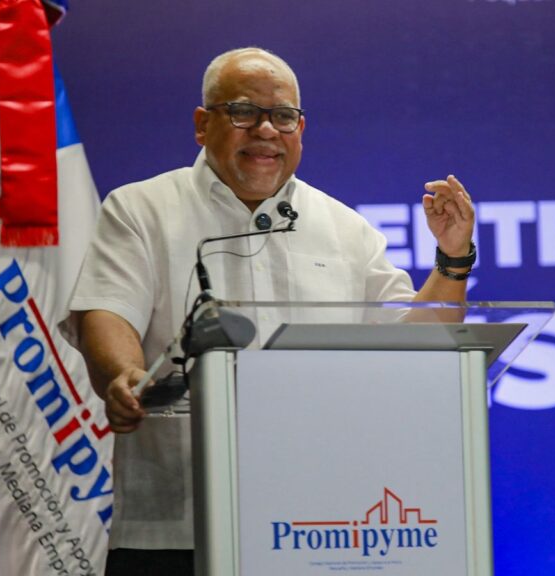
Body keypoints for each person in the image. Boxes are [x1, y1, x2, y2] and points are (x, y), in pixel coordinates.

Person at [61, 47, 476, 574]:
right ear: (202, 124)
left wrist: (453, 258)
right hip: (178, 527)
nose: (265, 130)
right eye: (243, 112)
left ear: (300, 129)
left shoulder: (345, 228)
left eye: (282, 116)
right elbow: (108, 310)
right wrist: (124, 375)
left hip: (320, 528)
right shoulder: (141, 209)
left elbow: (416, 346)